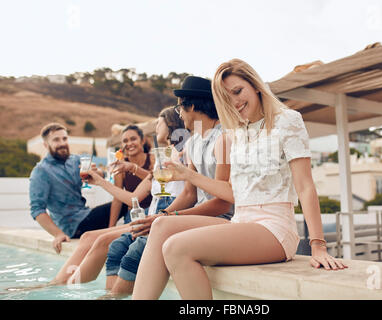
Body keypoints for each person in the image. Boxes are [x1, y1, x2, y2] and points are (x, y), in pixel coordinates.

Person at [132, 59, 347, 300]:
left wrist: (318, 245)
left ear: (255, 85)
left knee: (176, 248)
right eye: (227, 98)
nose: (235, 102)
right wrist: (187, 175)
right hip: (240, 221)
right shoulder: (235, 133)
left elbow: (305, 186)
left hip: (274, 228)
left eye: (238, 91)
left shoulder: (287, 120)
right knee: (161, 226)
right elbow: (232, 192)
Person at [92, 77, 234, 298]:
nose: (179, 113)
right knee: (150, 231)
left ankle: (116, 296)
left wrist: (172, 215)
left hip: (225, 219)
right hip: (200, 217)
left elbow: (223, 202)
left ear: (193, 106)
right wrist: (165, 214)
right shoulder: (194, 142)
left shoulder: (223, 139)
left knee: (149, 237)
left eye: (180, 107)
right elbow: (189, 193)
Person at [26, 123, 153, 287]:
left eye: (64, 138)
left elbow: (100, 174)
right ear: (45, 144)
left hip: (85, 215)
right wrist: (57, 234)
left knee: (119, 203)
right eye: (56, 140)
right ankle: (58, 283)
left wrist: (98, 173)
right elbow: (37, 209)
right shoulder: (41, 171)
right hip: (71, 225)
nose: (62, 143)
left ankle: (62, 283)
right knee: (121, 202)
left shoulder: (75, 161)